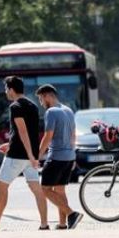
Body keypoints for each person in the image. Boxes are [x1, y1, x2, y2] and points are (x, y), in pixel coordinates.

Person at [0, 76, 48, 230]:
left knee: (1, 187)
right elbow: (29, 133)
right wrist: (11, 145)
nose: (5, 92)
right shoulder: (33, 106)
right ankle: (44, 224)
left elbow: (23, 132)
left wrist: (28, 154)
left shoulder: (15, 107)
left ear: (11, 89)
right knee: (37, 189)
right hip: (29, 155)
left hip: (17, 156)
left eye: (6, 89)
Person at [36, 84, 83, 230]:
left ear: (47, 95)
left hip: (56, 157)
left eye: (41, 99)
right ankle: (63, 223)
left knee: (44, 189)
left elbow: (47, 136)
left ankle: (71, 213)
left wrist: (37, 156)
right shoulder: (68, 110)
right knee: (60, 190)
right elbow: (73, 135)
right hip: (69, 156)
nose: (41, 103)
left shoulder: (51, 112)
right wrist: (73, 155)